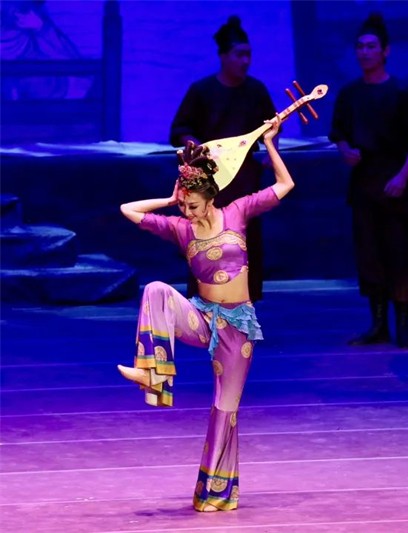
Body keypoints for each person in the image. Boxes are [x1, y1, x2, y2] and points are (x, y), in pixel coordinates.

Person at [117, 117, 292, 511]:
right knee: (156, 290)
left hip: (237, 326)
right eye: (183, 206)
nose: (188, 212)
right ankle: (152, 374)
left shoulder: (238, 212)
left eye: (192, 205)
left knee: (224, 410)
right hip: (201, 318)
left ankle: (216, 493)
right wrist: (169, 200)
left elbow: (284, 185)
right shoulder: (182, 228)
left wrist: (270, 144)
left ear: (210, 197)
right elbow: (128, 210)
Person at [329, 12, 408, 349]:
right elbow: (339, 133)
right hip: (364, 184)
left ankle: (403, 325)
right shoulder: (350, 94)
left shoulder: (402, 92)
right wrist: (345, 150)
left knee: (401, 254)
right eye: (360, 47)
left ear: (385, 51)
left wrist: (402, 175)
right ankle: (377, 325)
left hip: (397, 185)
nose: (365, 52)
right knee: (370, 254)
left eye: (371, 46)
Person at [169, 15, 278, 302]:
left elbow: (271, 128)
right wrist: (197, 147)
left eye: (248, 55)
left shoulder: (256, 91)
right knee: (206, 242)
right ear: (223, 56)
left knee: (244, 243)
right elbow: (180, 129)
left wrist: (271, 151)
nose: (245, 61)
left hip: (245, 182)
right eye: (239, 55)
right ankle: (204, 306)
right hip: (209, 184)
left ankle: (244, 307)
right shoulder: (202, 91)